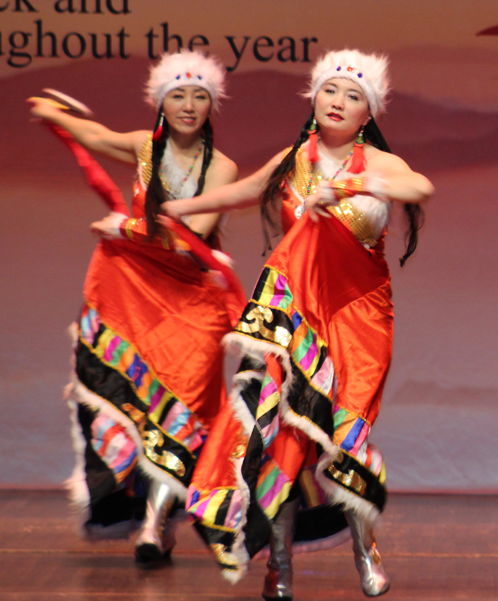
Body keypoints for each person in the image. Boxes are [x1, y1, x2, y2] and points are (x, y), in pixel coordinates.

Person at [159, 49, 434, 598]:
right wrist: (179, 210)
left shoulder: (377, 163)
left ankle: (363, 546)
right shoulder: (296, 158)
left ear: (367, 114)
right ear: (314, 97)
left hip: (360, 321)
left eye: (354, 97)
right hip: (294, 319)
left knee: (345, 440)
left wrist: (353, 188)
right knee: (282, 440)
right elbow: (246, 191)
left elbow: (418, 188)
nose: (339, 101)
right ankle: (280, 564)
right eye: (331, 90)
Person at [28, 50, 240, 563]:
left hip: (191, 300)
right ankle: (153, 522)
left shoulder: (223, 167)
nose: (188, 105)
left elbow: (194, 236)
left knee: (183, 408)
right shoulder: (146, 146)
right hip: (135, 290)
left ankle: (153, 523)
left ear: (211, 105)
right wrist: (55, 115)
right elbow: (97, 138)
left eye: (199, 96)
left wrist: (122, 226)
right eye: (178, 95)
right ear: (161, 102)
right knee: (143, 407)